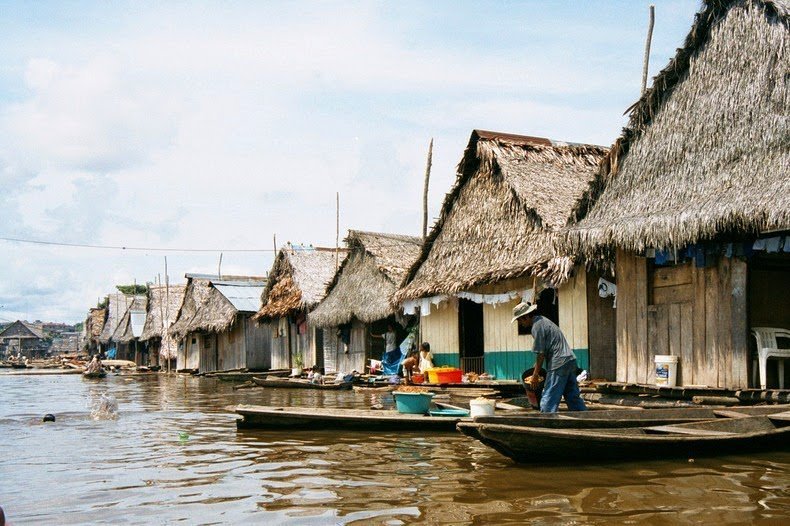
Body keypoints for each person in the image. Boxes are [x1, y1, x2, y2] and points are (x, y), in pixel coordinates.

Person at [512, 301, 586, 413]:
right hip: (570, 360)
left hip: (559, 363)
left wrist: (535, 375)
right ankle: (583, 418)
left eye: (520, 320)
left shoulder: (537, 327)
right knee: (572, 396)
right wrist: (536, 368)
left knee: (549, 398)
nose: (520, 323)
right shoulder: (543, 321)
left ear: (526, 316)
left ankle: (546, 421)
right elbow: (545, 350)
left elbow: (541, 353)